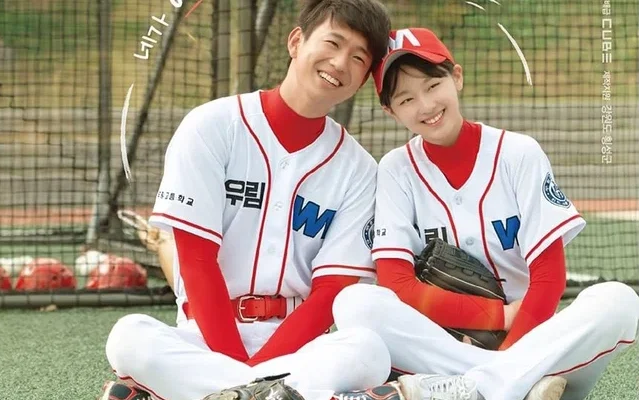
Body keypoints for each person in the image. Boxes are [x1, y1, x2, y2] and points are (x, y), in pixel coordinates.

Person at [100, 1, 395, 400]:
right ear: (296, 41)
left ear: (362, 79)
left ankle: (200, 393)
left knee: (369, 351)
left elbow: (331, 290)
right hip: (204, 337)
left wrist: (250, 377)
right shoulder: (212, 126)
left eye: (358, 58)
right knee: (129, 337)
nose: (340, 63)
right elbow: (197, 259)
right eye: (332, 43)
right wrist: (246, 373)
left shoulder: (359, 169)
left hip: (299, 346)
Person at [330, 27, 639, 400]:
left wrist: (509, 355)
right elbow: (398, 285)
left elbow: (549, 278)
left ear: (457, 77)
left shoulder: (518, 154)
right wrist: (500, 319)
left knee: (619, 301)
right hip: (453, 345)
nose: (425, 105)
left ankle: (474, 388)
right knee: (354, 303)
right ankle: (513, 387)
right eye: (406, 98)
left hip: (532, 338)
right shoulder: (397, 170)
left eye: (432, 85)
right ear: (389, 111)